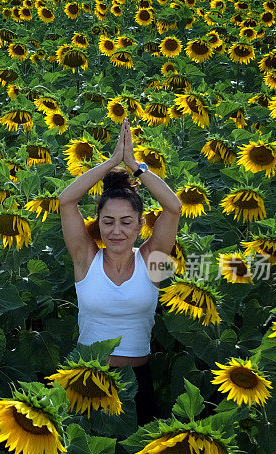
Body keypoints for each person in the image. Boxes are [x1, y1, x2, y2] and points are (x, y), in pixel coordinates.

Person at [57, 118, 182, 425]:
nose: (116, 230)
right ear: (97, 222)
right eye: (108, 221)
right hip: (85, 380)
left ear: (141, 226)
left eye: (126, 222)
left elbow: (174, 207)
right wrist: (112, 162)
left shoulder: (152, 260)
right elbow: (66, 200)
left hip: (137, 381)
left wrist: (135, 165)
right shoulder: (86, 259)